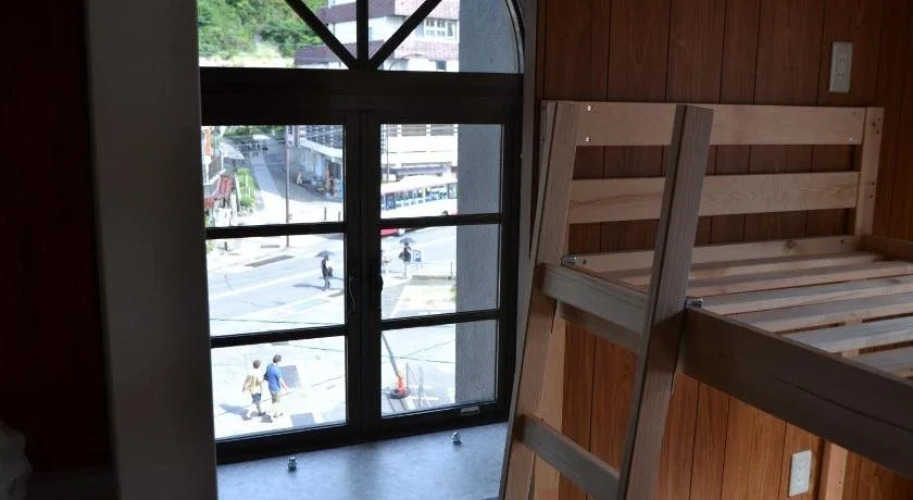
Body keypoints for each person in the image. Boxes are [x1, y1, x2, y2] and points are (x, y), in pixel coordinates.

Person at [264, 354, 289, 419]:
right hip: (276, 389)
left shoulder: (269, 366)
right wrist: (286, 389)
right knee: (278, 402)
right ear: (278, 362)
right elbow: (281, 381)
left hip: (270, 387)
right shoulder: (276, 370)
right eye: (280, 362)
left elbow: (266, 376)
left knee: (274, 400)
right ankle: (276, 414)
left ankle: (276, 411)